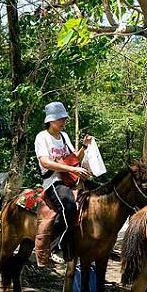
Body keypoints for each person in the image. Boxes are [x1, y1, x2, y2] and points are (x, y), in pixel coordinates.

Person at [35, 101, 92, 260]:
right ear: (50, 121)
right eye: (60, 119)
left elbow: (75, 158)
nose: (63, 122)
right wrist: (73, 170)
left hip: (71, 179)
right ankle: (56, 246)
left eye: (64, 119)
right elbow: (45, 162)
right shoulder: (42, 137)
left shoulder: (65, 136)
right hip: (53, 181)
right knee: (68, 206)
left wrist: (84, 147)